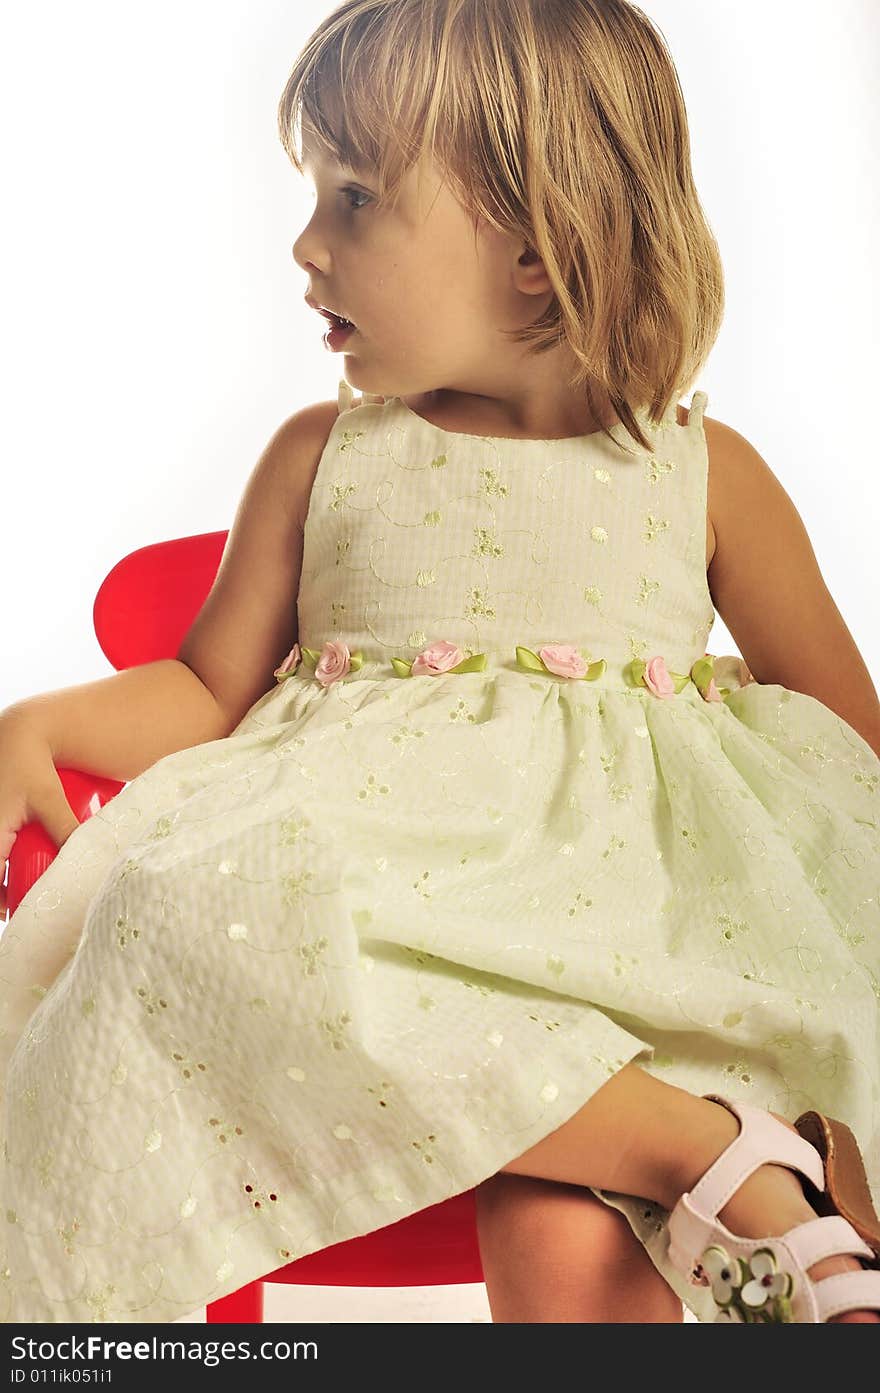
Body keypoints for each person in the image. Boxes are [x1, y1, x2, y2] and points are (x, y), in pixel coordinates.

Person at [1, 0, 878, 1325]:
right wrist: (39, 718)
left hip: (636, 939)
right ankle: (705, 1154)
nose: (306, 247)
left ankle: (727, 1156)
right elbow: (201, 693)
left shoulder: (703, 474)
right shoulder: (325, 457)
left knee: (559, 1243)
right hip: (411, 956)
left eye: (353, 199)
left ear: (532, 249)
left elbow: (844, 739)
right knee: (178, 908)